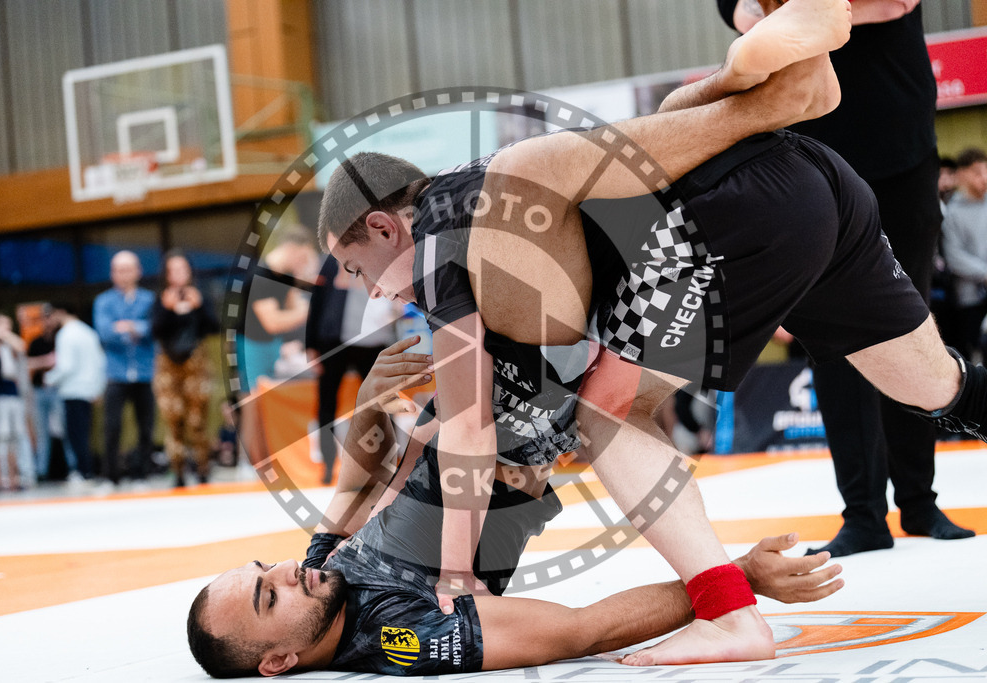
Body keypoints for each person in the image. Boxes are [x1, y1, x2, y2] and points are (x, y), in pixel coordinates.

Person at [320, 0, 987, 665]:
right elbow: (427, 448)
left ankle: (729, 615)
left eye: (359, 268)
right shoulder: (475, 213)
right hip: (814, 179)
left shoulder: (440, 242)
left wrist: (455, 576)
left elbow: (466, 431)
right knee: (939, 384)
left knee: (607, 410)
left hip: (737, 214)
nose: (375, 290)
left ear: (386, 227)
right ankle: (748, 87)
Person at [188, 338, 843, 678]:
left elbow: (350, 490)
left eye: (262, 570)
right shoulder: (403, 637)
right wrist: (738, 580)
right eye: (267, 597)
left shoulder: (317, 579)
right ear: (277, 662)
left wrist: (366, 405)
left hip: (468, 419)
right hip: (506, 439)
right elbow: (581, 628)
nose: (282, 574)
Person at [718, 0, 974, 558]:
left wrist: (796, 17)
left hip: (902, 152)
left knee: (910, 325)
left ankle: (920, 501)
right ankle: (862, 512)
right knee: (832, 340)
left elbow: (890, 5)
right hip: (814, 156)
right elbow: (745, 18)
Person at [305, 255, 399, 483]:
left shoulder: (385, 253)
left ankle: (389, 462)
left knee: (383, 403)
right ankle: (328, 467)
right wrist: (311, 344)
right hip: (335, 340)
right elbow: (318, 298)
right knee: (327, 405)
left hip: (374, 342)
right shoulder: (333, 258)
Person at [151, 250, 221, 487]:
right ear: (167, 274)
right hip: (168, 368)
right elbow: (154, 331)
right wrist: (167, 308)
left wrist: (198, 306)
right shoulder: (160, 298)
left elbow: (214, 327)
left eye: (183, 269)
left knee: (197, 419)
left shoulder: (200, 295)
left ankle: (203, 468)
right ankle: (178, 471)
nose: (179, 274)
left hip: (196, 366)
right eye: (173, 270)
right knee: (173, 418)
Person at [94, 250, 156, 490]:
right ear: (112, 274)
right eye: (119, 269)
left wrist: (130, 327)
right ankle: (110, 477)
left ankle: (141, 475)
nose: (124, 274)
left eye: (128, 268)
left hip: (144, 372)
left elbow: (153, 329)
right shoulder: (103, 301)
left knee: (145, 427)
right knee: (111, 426)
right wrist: (135, 330)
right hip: (115, 373)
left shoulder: (150, 300)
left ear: (138, 271)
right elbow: (105, 333)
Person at [239, 224, 318, 392]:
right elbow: (273, 323)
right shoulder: (259, 277)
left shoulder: (286, 275)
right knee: (255, 401)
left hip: (273, 344)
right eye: (302, 257)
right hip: (252, 346)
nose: (303, 263)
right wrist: (309, 311)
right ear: (290, 249)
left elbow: (294, 307)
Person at [45, 302, 106, 482]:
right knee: (85, 433)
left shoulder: (65, 334)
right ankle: (87, 469)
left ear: (60, 312)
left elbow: (66, 366)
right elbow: (100, 362)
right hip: (88, 389)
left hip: (72, 389)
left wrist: (49, 378)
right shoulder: (89, 332)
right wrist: (98, 388)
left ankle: (82, 471)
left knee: (75, 434)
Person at [941, 148, 987, 362]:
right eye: (977, 172)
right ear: (963, 175)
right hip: (969, 298)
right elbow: (953, 256)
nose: (984, 177)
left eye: (986, 170)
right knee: (973, 354)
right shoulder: (952, 211)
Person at [0, 311, 36, 491]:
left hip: (13, 393)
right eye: (3, 325)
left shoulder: (9, 344)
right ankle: (0, 478)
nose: (7, 329)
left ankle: (14, 478)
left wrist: (4, 334)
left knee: (15, 436)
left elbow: (21, 346)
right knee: (0, 436)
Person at [27, 318, 80, 483]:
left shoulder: (62, 339)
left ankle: (73, 468)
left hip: (58, 390)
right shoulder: (36, 342)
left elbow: (65, 364)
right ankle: (41, 471)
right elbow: (28, 364)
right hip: (40, 391)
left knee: (65, 429)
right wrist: (45, 361)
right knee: (42, 432)